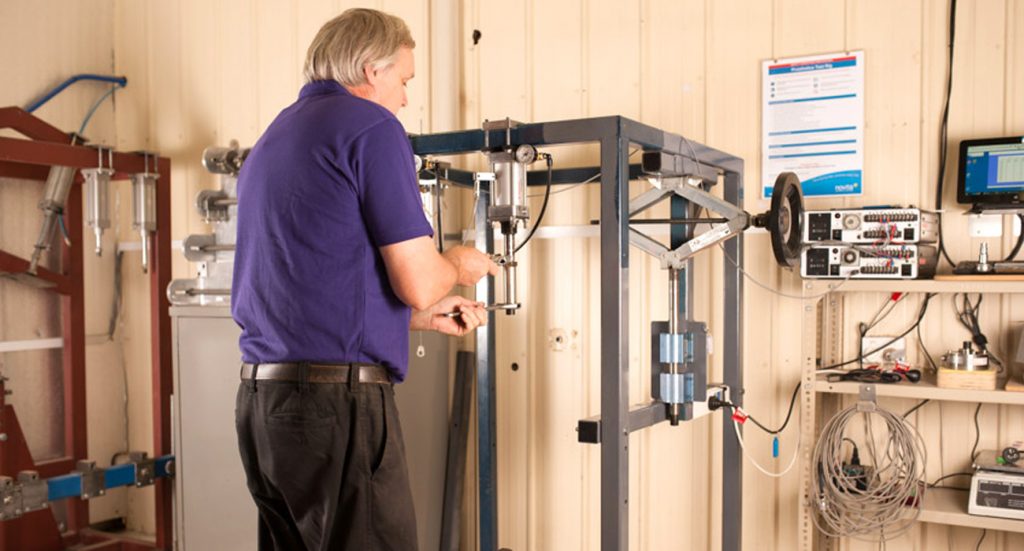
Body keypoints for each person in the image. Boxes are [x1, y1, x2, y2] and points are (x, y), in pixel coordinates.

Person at [231, 8, 497, 551]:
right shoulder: (372, 128)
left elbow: (310, 283)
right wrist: (458, 265)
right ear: (372, 70)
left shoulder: (274, 138)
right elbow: (422, 281)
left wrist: (418, 320)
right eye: (403, 81)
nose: (404, 98)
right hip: (335, 413)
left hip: (264, 406)